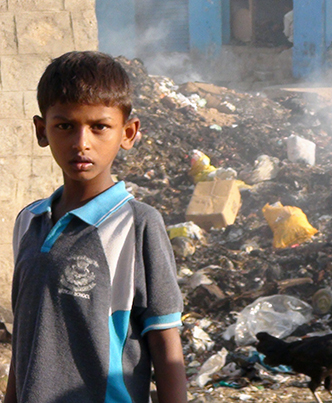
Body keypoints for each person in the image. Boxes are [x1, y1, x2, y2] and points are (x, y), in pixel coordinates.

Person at [5, 51, 187, 403]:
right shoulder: (29, 221)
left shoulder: (137, 225)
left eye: (99, 126)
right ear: (42, 131)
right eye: (65, 126)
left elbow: (166, 343)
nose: (81, 143)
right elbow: (26, 339)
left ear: (128, 133)